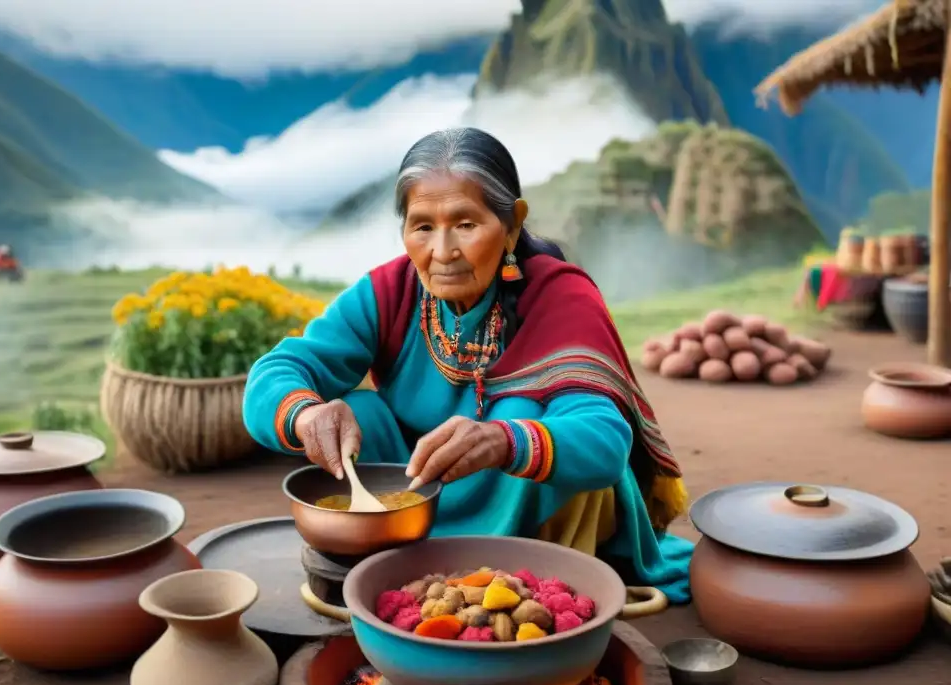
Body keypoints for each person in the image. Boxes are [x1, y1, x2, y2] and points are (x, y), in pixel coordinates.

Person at [243, 127, 694, 601]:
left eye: (465, 224)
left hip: (522, 497)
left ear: (513, 225)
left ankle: (526, 590)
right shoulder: (388, 292)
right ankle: (401, 566)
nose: (442, 251)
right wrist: (307, 415)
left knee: (529, 419)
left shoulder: (561, 297)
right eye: (422, 226)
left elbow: (604, 443)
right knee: (359, 411)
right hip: (417, 493)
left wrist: (502, 440)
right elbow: (276, 373)